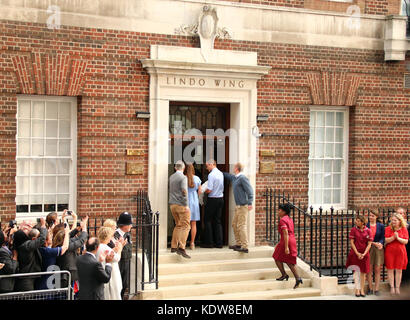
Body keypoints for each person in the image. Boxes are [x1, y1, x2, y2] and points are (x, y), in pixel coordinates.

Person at [223, 163, 254, 253]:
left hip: (243, 206)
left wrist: (250, 202)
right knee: (234, 224)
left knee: (241, 225)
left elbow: (250, 190)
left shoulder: (242, 178)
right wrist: (217, 171)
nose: (233, 168)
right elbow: (229, 176)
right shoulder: (235, 178)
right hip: (238, 206)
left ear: (237, 168)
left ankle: (245, 246)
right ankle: (239, 243)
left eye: (234, 167)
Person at [55, 212, 88, 291]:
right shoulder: (66, 246)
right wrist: (84, 228)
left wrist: (77, 229)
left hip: (70, 273)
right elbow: (81, 240)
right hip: (68, 275)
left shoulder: (61, 241)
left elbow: (71, 236)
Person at [272, 203, 303, 289]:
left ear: (283, 211)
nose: (277, 212)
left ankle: (290, 276)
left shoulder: (282, 220)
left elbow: (285, 233)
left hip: (287, 241)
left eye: (279, 210)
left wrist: (286, 247)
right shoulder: (289, 219)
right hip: (290, 240)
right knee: (286, 260)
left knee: (278, 258)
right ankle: (294, 277)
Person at [13, 218, 47, 292]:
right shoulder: (26, 246)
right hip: (26, 280)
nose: (28, 230)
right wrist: (43, 226)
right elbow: (41, 239)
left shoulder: (22, 245)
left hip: (28, 277)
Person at [169, 160, 191, 258]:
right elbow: (184, 190)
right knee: (186, 226)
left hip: (172, 205)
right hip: (181, 205)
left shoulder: (171, 177)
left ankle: (174, 246)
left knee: (178, 225)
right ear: (184, 168)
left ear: (175, 168)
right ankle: (182, 247)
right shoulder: (183, 177)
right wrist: (186, 204)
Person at [37, 223, 70, 290]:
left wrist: (51, 230)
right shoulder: (47, 251)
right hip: (47, 284)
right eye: (50, 235)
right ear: (46, 240)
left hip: (51, 281)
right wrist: (66, 233)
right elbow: (65, 247)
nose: (52, 236)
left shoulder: (43, 249)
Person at [346, 215, 372, 297]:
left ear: (363, 222)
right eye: (356, 220)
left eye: (358, 221)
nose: (356, 222)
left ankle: (362, 289)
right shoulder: (353, 230)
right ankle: (357, 289)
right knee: (356, 271)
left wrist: (364, 254)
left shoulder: (368, 231)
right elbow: (352, 242)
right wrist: (357, 253)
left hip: (365, 253)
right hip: (355, 253)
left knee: (363, 273)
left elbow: (369, 244)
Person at [96, 227, 123, 300]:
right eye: (111, 236)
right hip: (110, 273)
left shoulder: (98, 246)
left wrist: (114, 250)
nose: (111, 238)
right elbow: (116, 258)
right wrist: (120, 249)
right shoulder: (105, 247)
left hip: (102, 272)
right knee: (112, 295)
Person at [384, 212, 408, 295]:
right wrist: (393, 237)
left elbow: (406, 241)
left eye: (395, 220)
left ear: (399, 221)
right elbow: (386, 240)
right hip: (390, 252)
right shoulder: (388, 228)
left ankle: (397, 287)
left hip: (400, 252)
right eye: (392, 220)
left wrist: (398, 238)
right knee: (390, 269)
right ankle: (392, 287)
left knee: (399, 270)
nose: (393, 222)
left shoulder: (404, 229)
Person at [202, 159, 224, 249]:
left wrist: (203, 191)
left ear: (211, 164)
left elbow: (210, 189)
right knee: (217, 221)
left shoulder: (211, 175)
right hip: (220, 199)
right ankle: (219, 243)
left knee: (207, 220)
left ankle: (209, 242)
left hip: (213, 199)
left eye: (207, 166)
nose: (207, 168)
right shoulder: (220, 173)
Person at [114, 212, 133, 299]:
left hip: (127, 261)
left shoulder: (128, 234)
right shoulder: (115, 235)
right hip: (118, 262)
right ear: (125, 225)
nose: (131, 226)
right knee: (118, 284)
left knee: (125, 284)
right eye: (130, 224)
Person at [366, 211, 385, 296]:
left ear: (376, 216)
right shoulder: (366, 225)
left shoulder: (381, 226)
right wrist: (373, 243)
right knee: (369, 269)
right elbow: (365, 237)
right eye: (369, 215)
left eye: (372, 216)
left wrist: (380, 243)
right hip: (369, 248)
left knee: (377, 269)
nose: (371, 217)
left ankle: (377, 289)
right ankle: (370, 288)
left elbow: (383, 237)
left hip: (378, 248)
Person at [184, 163, 202, 250]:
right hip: (194, 201)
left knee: (185, 224)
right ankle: (192, 243)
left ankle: (182, 243)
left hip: (186, 201)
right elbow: (200, 191)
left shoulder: (184, 178)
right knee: (193, 224)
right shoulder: (197, 178)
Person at [397, 207, 410, 286]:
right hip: (397, 249)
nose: (400, 215)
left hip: (407, 248)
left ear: (404, 215)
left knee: (406, 266)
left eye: (401, 213)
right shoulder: (393, 224)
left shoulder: (408, 225)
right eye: (398, 213)